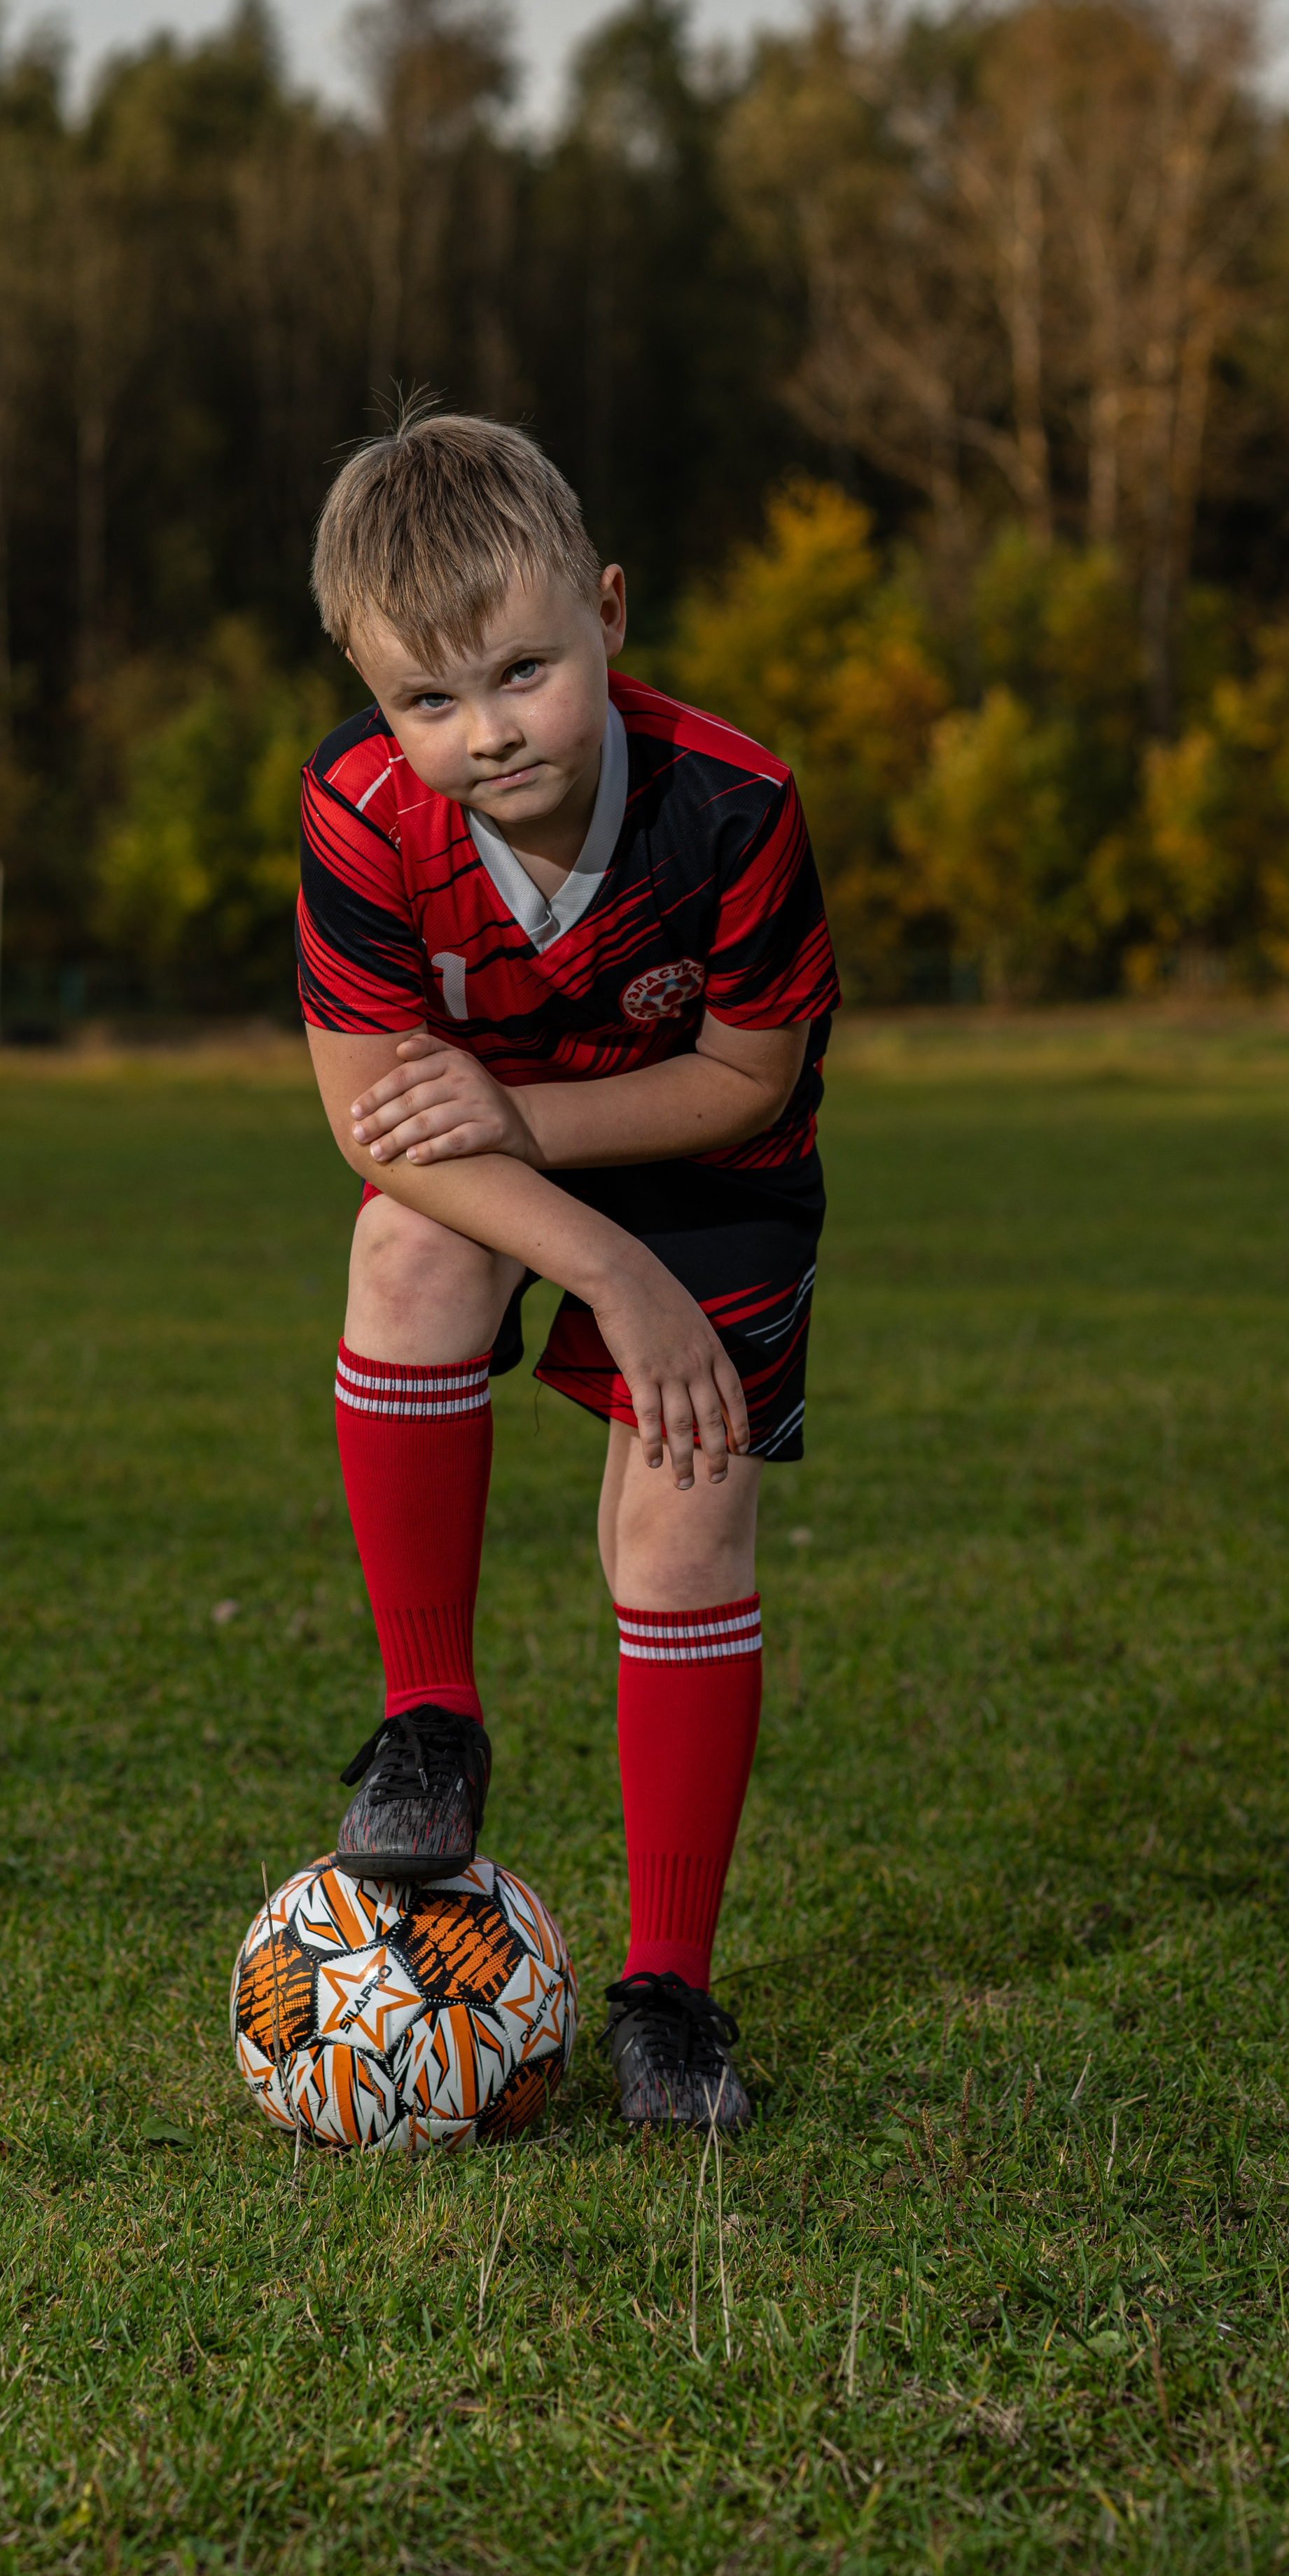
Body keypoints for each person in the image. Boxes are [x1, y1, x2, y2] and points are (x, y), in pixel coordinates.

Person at [297, 410, 837, 2127]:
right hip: (542, 1183)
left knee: (686, 1509)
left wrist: (531, 1133)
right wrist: (607, 1268)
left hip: (715, 1164)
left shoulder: (734, 806)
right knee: (403, 1249)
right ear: (375, 702)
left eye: (521, 671)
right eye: (426, 701)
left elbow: (748, 1075)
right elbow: (375, 1133)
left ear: (606, 612)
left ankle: (668, 1990)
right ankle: (429, 1719)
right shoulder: (365, 817)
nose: (483, 733)